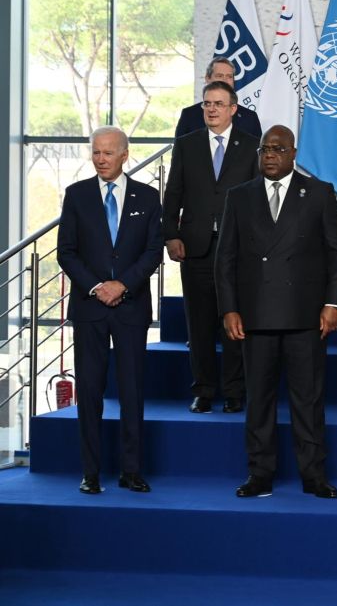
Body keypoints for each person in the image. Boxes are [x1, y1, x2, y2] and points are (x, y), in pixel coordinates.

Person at [215, 125, 337, 499]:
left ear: (293, 153)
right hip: (255, 316)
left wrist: (334, 303)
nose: (270, 155)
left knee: (307, 400)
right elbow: (224, 259)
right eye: (265, 149)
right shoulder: (239, 196)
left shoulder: (318, 193)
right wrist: (229, 308)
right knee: (258, 400)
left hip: (305, 316)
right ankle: (259, 474)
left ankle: (314, 475)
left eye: (278, 149)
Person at [57, 126, 163, 494]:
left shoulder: (147, 196)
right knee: (89, 392)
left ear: (124, 155)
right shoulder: (77, 195)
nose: (100, 159)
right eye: (96, 152)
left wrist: (123, 285)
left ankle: (131, 471)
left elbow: (153, 251)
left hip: (131, 308)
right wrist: (97, 287)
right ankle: (91, 472)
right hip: (90, 308)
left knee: (132, 391)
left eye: (108, 153)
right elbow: (66, 251)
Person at [163, 81, 260, 414]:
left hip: (237, 249)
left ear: (233, 109)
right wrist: (170, 235)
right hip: (195, 247)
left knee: (234, 321)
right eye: (207, 104)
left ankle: (234, 391)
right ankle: (203, 390)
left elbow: (258, 199)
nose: (212, 109)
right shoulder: (187, 144)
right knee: (199, 324)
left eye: (219, 104)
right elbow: (173, 193)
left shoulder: (252, 146)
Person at [175, 56, 262, 138]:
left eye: (229, 76)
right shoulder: (189, 115)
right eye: (219, 76)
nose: (225, 81)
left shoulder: (250, 118)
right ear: (207, 79)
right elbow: (180, 148)